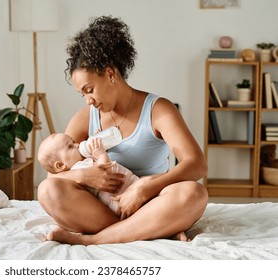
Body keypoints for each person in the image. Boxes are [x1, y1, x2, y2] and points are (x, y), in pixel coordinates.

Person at [37, 15, 208, 245]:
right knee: (48, 190)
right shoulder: (85, 118)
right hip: (107, 208)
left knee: (194, 194)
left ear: (110, 74)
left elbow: (197, 164)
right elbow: (54, 174)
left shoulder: (158, 110)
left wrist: (146, 188)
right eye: (82, 95)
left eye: (89, 90)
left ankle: (94, 240)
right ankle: (151, 230)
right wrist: (83, 175)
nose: (88, 100)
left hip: (153, 204)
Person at [37, 133, 142, 215]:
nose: (77, 145)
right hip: (124, 196)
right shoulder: (78, 167)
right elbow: (105, 174)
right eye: (70, 146)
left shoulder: (82, 164)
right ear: (60, 165)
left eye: (73, 141)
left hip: (128, 190)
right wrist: (101, 154)